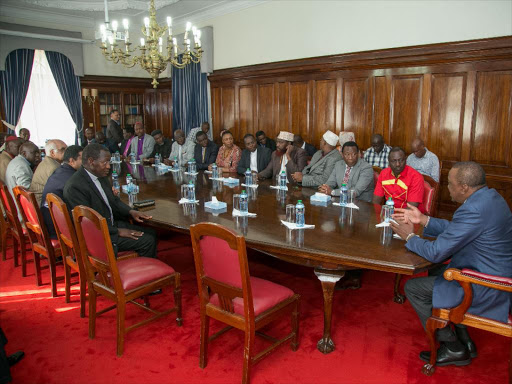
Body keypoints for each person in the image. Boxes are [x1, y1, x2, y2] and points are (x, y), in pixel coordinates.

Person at [391, 161, 512, 367]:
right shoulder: (491, 198)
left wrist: (410, 236)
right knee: (437, 271)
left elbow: (436, 252)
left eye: (449, 183)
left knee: (413, 287)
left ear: (464, 187)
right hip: (493, 269)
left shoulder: (474, 209)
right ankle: (465, 338)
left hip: (487, 285)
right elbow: (458, 228)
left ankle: (453, 347)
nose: (447, 188)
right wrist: (424, 219)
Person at [63, 143, 157, 258]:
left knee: (151, 232)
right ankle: (141, 273)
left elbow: (114, 201)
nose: (108, 166)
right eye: (105, 163)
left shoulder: (99, 175)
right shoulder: (75, 186)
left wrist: (131, 211)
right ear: (91, 161)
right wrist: (117, 231)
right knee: (148, 241)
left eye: (109, 162)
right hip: (98, 235)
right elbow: (88, 221)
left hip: (109, 224)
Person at [40, 145, 83, 238]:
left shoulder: (60, 170)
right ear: (72, 161)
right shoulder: (73, 179)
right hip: (60, 230)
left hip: (49, 223)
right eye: (82, 159)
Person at [372, 147, 425, 211]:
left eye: (401, 160)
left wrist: (391, 216)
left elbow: (411, 209)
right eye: (394, 161)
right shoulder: (384, 174)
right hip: (389, 214)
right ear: (389, 162)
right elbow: (375, 202)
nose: (398, 164)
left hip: (410, 216)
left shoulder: (416, 177)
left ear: (405, 160)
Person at [31, 140, 67, 205]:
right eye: (63, 149)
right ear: (52, 152)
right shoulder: (53, 168)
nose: (67, 152)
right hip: (43, 205)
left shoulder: (47, 162)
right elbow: (61, 191)